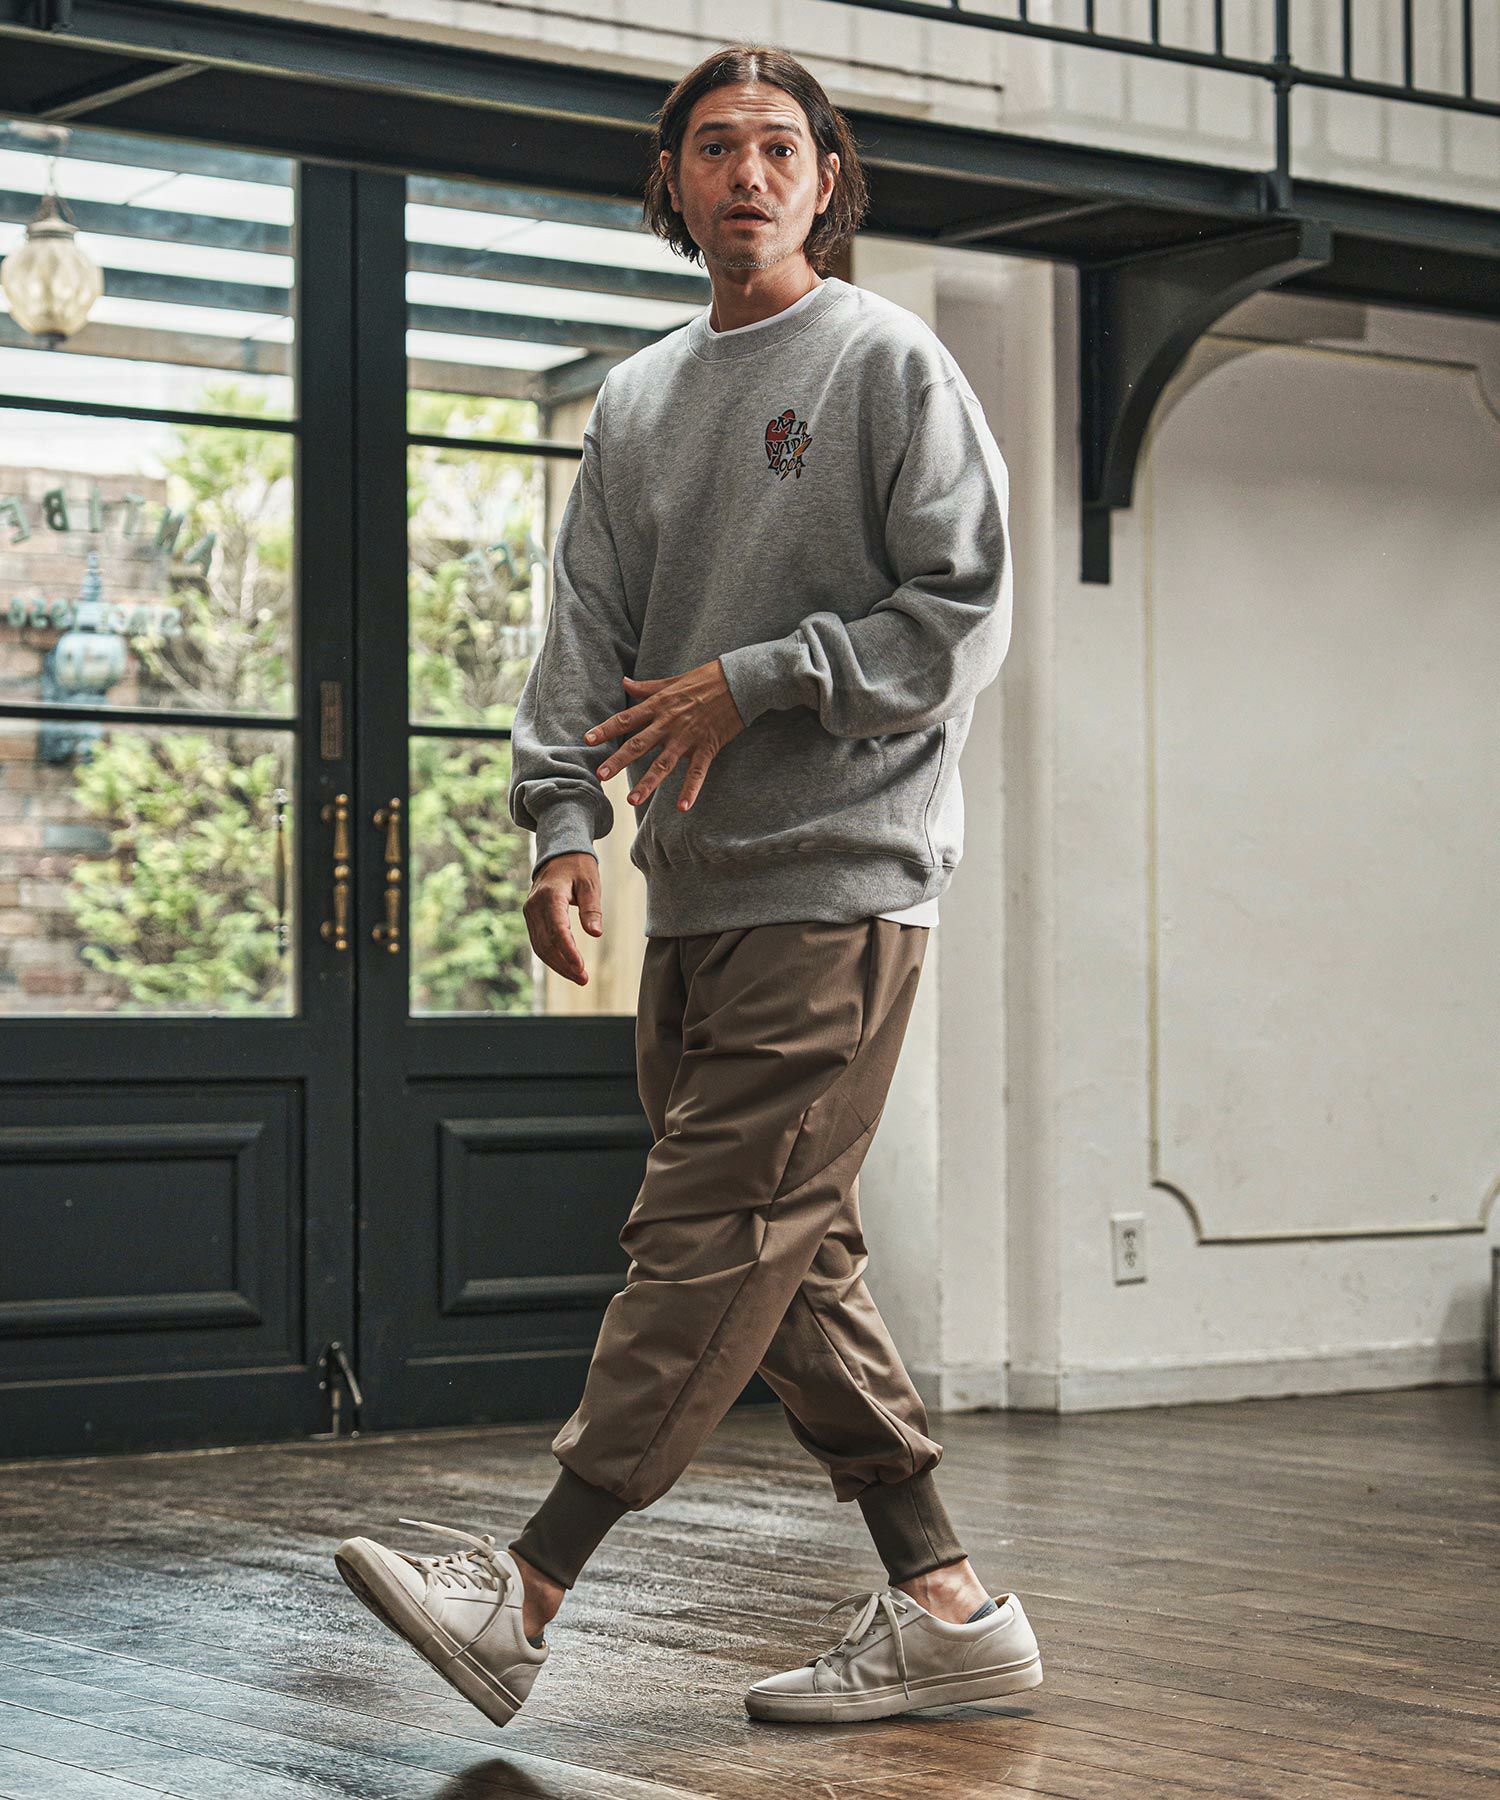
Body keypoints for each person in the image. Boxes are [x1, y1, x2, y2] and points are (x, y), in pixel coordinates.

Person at [335, 39, 1044, 1729]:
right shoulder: (639, 398)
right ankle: (948, 1607)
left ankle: (525, 1591)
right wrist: (561, 826)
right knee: (790, 1261)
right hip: (697, 893)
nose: (749, 173)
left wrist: (760, 678)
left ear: (826, 180)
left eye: (780, 146)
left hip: (844, 884)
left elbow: (962, 615)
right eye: (716, 146)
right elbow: (583, 633)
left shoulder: (887, 361)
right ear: (674, 183)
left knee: (711, 1235)